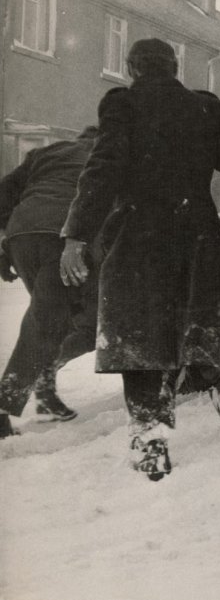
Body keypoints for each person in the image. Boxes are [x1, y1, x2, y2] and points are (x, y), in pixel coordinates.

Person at [59, 38, 220, 481]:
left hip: (139, 236)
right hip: (197, 237)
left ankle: (150, 435)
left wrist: (77, 234)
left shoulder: (123, 104)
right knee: (183, 327)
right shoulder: (205, 109)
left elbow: (103, 167)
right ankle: (170, 409)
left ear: (133, 69)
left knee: (140, 334)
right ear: (173, 68)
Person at [0, 126, 101, 439]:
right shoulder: (103, 156)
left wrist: (6, 242)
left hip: (22, 234)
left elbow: (4, 191)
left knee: (54, 317)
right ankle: (4, 406)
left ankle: (45, 393)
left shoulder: (46, 152)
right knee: (54, 322)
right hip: (61, 237)